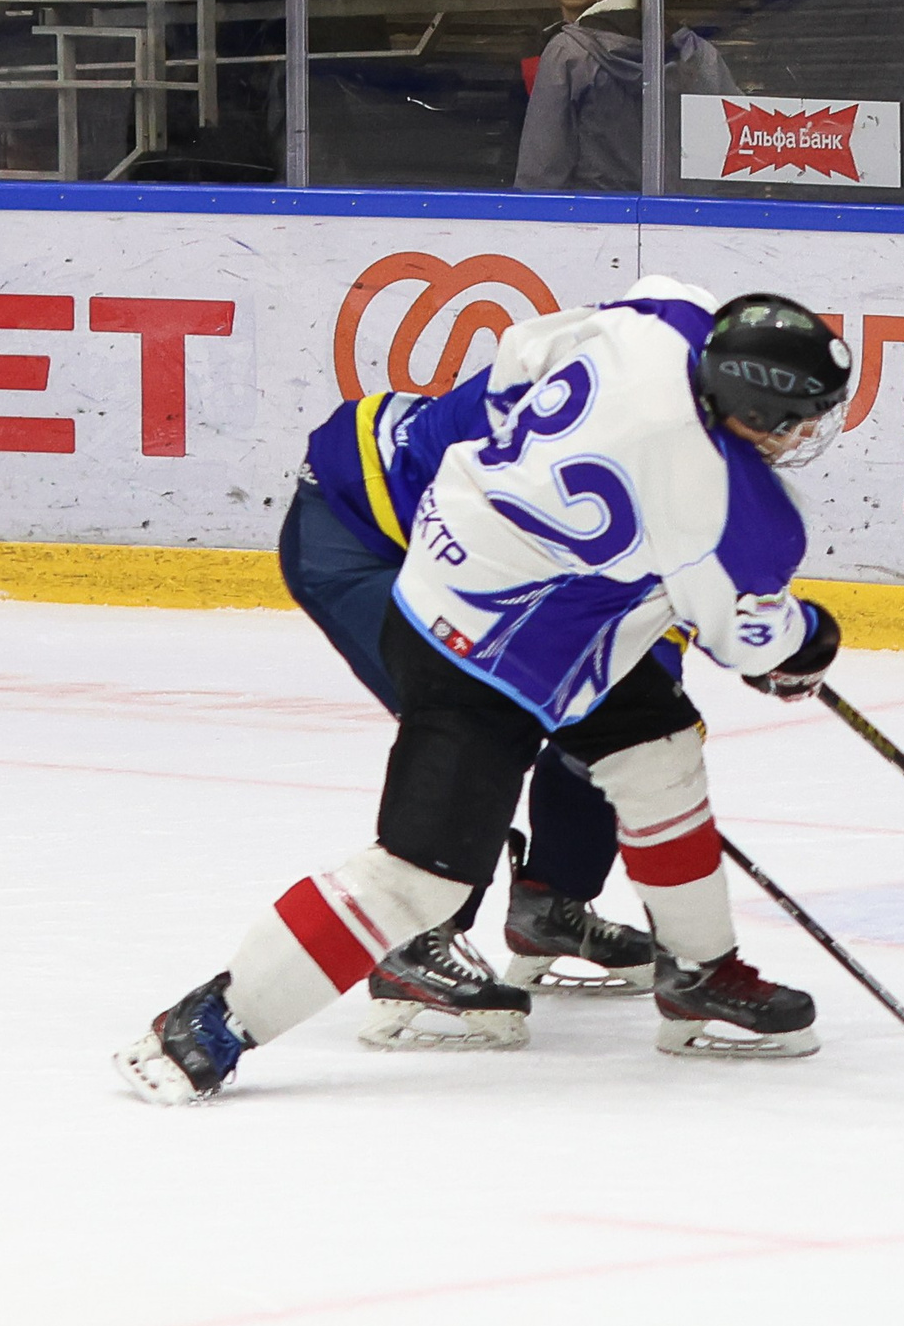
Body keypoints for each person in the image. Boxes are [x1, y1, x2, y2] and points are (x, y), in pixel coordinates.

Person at [116, 291, 854, 1105]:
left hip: (471, 570)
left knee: (657, 749)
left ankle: (701, 976)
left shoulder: (662, 321)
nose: (804, 435)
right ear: (756, 409)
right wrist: (808, 640)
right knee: (417, 876)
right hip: (478, 652)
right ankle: (211, 1023)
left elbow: (518, 361)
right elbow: (753, 641)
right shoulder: (737, 509)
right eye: (798, 418)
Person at [283, 275, 725, 1053]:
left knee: (597, 706)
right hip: (356, 530)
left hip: (449, 545)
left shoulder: (668, 450)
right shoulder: (606, 424)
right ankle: (415, 943)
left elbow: (625, 667)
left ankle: (551, 901)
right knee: (482, 718)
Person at [514, 0, 739, 193]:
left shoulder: (567, 53)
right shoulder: (700, 53)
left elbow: (541, 172)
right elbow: (735, 150)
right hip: (687, 223)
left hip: (594, 223)